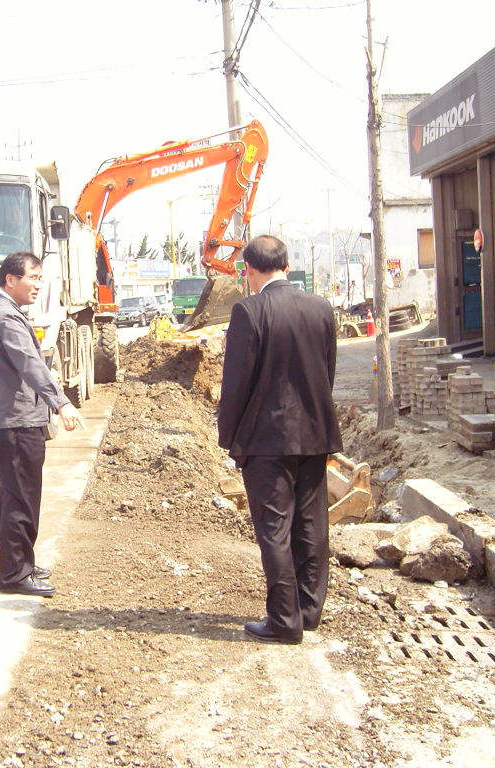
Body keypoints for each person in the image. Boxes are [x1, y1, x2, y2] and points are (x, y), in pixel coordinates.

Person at [217, 235, 342, 645]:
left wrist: (230, 436)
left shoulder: (249, 311)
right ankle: (309, 609)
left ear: (249, 270)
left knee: (274, 528)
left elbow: (236, 383)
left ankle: (283, 621)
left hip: (267, 438)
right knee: (312, 523)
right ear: (287, 266)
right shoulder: (321, 308)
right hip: (315, 433)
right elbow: (327, 372)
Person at [0, 252, 84, 597]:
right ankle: (16, 574)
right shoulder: (5, 316)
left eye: (39, 277)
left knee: (13, 496)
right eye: (32, 278)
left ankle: (20, 563)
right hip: (15, 422)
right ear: (10, 280)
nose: (38, 284)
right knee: (20, 498)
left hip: (6, 420)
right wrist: (61, 401)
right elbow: (30, 365)